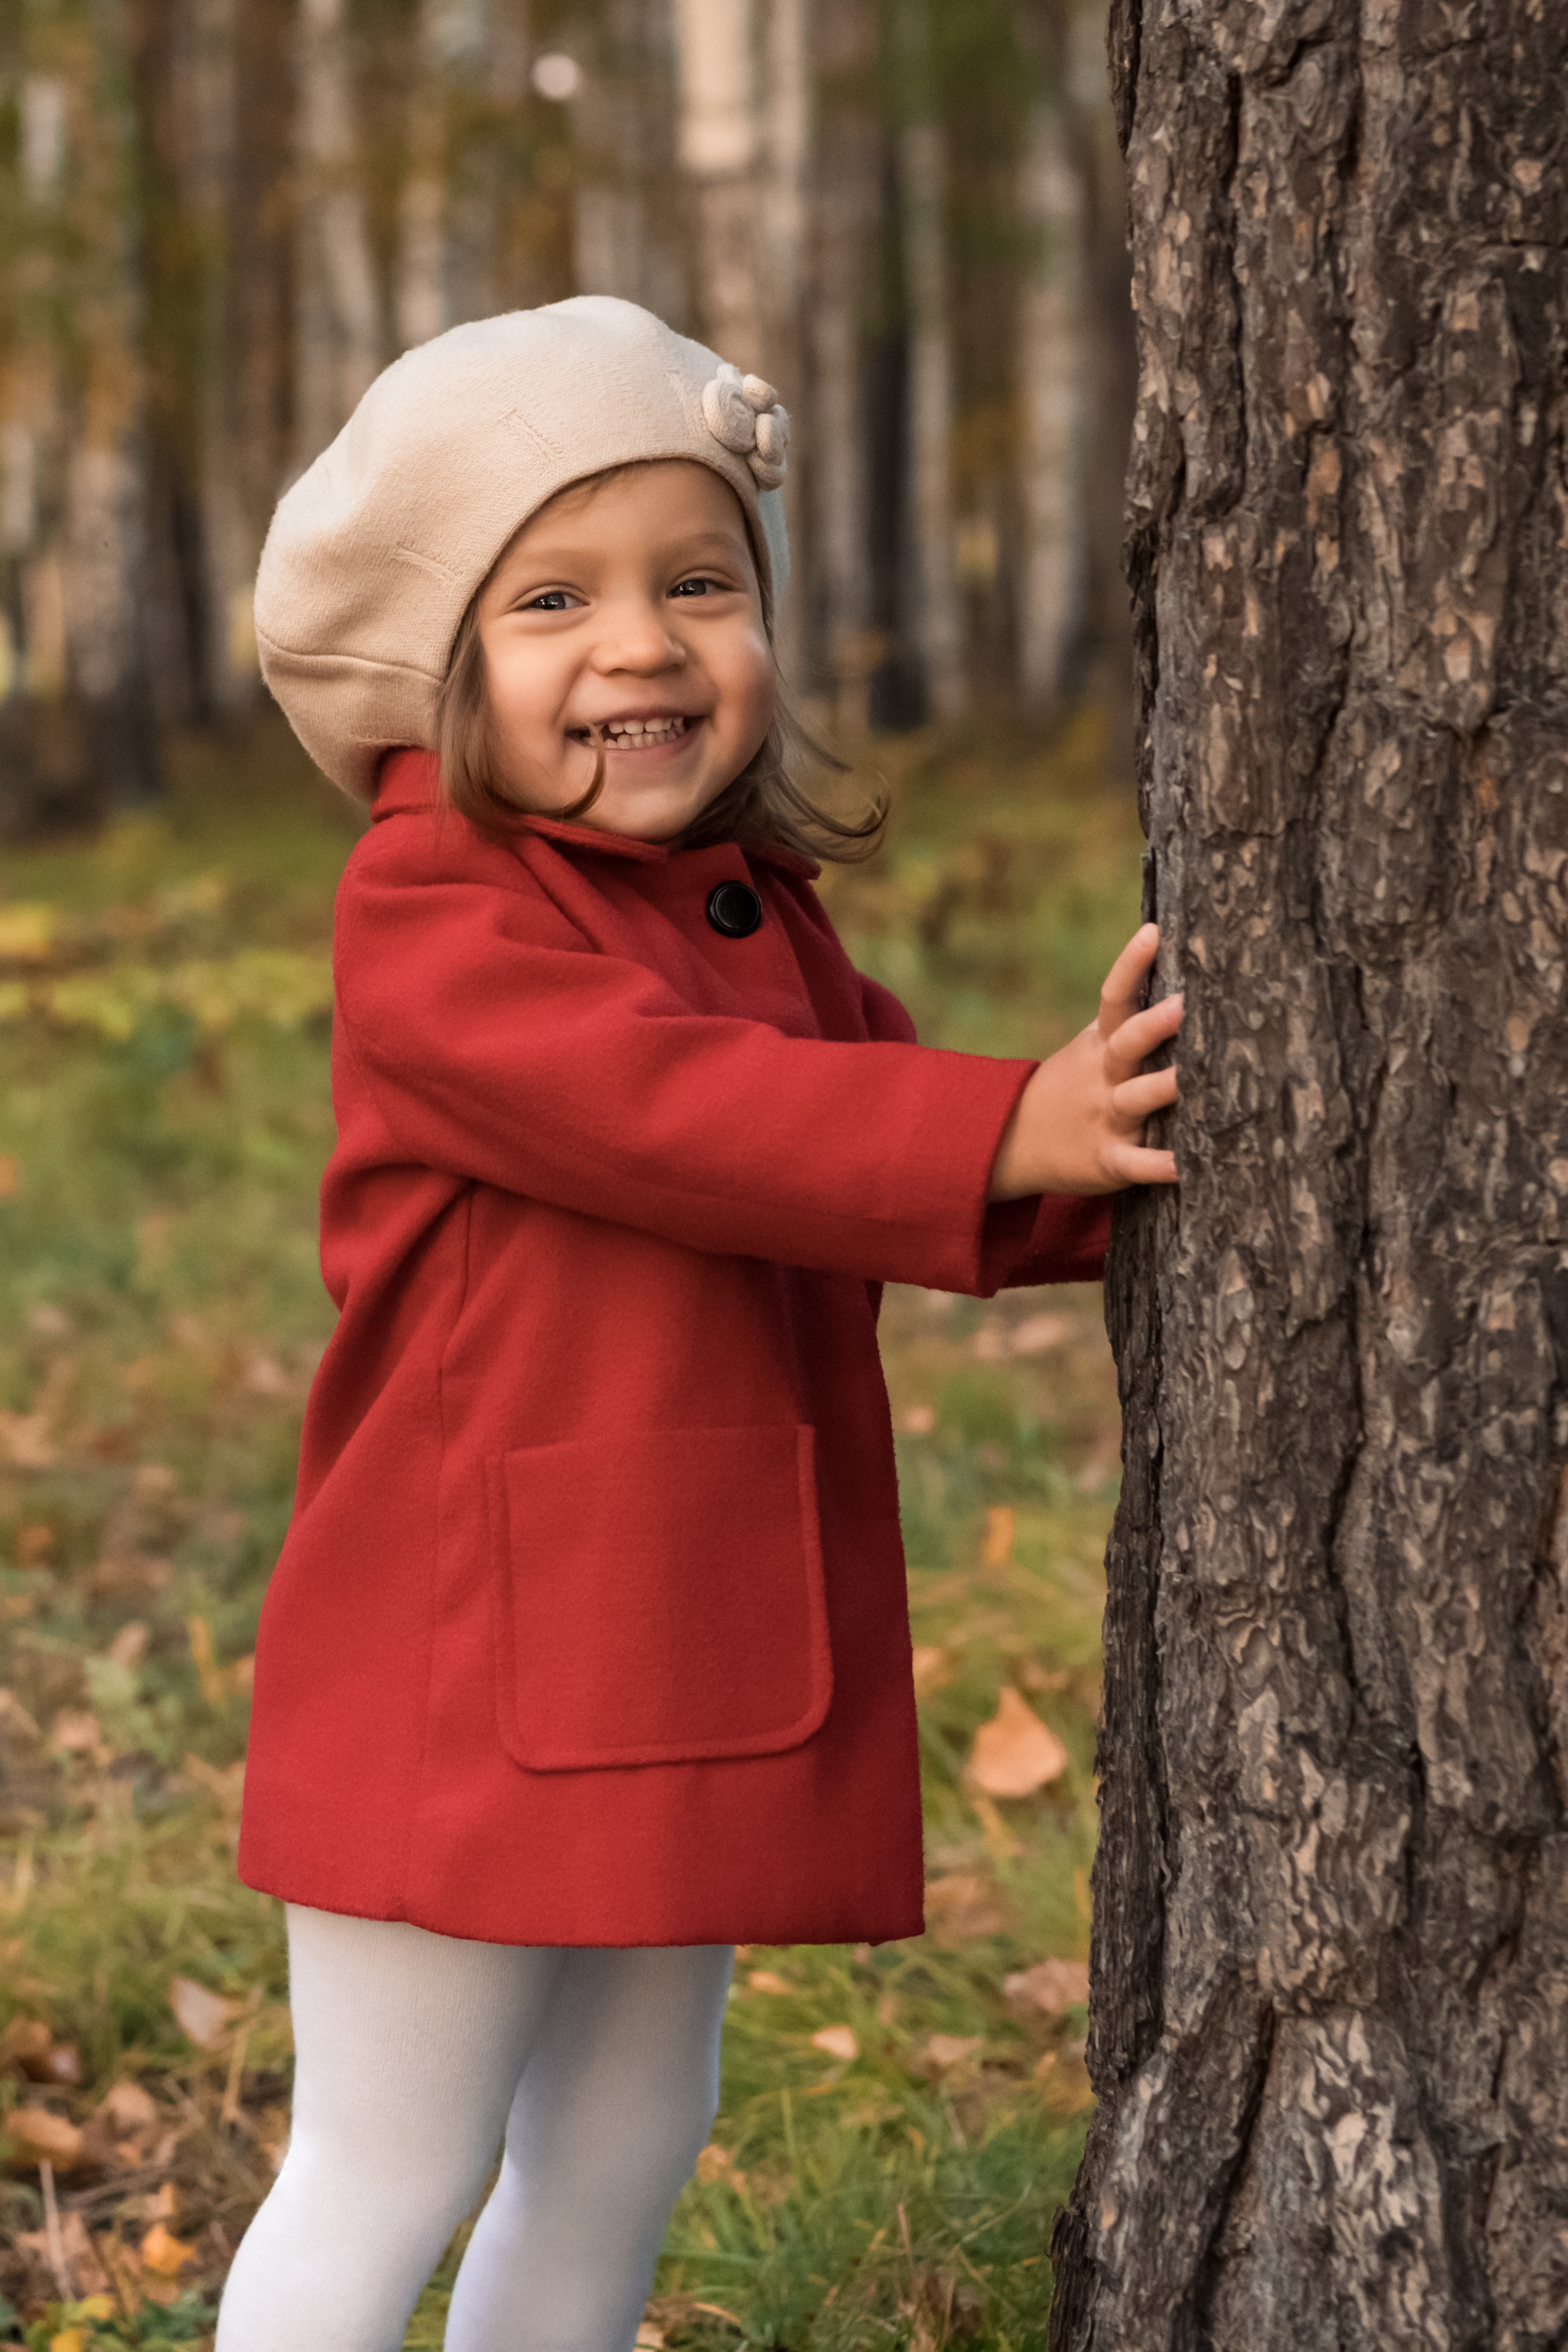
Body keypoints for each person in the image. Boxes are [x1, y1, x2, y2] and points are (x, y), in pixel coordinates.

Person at [215, 297, 1182, 2352]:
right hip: (464, 1661)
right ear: (437, 661)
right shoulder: (437, 914)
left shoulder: (743, 905)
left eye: (699, 582)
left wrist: (1091, 1175)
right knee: (391, 2162)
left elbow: (864, 1143)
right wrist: (1005, 1122)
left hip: (683, 1629)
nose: (642, 645)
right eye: (553, 595)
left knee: (633, 2130)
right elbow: (693, 1116)